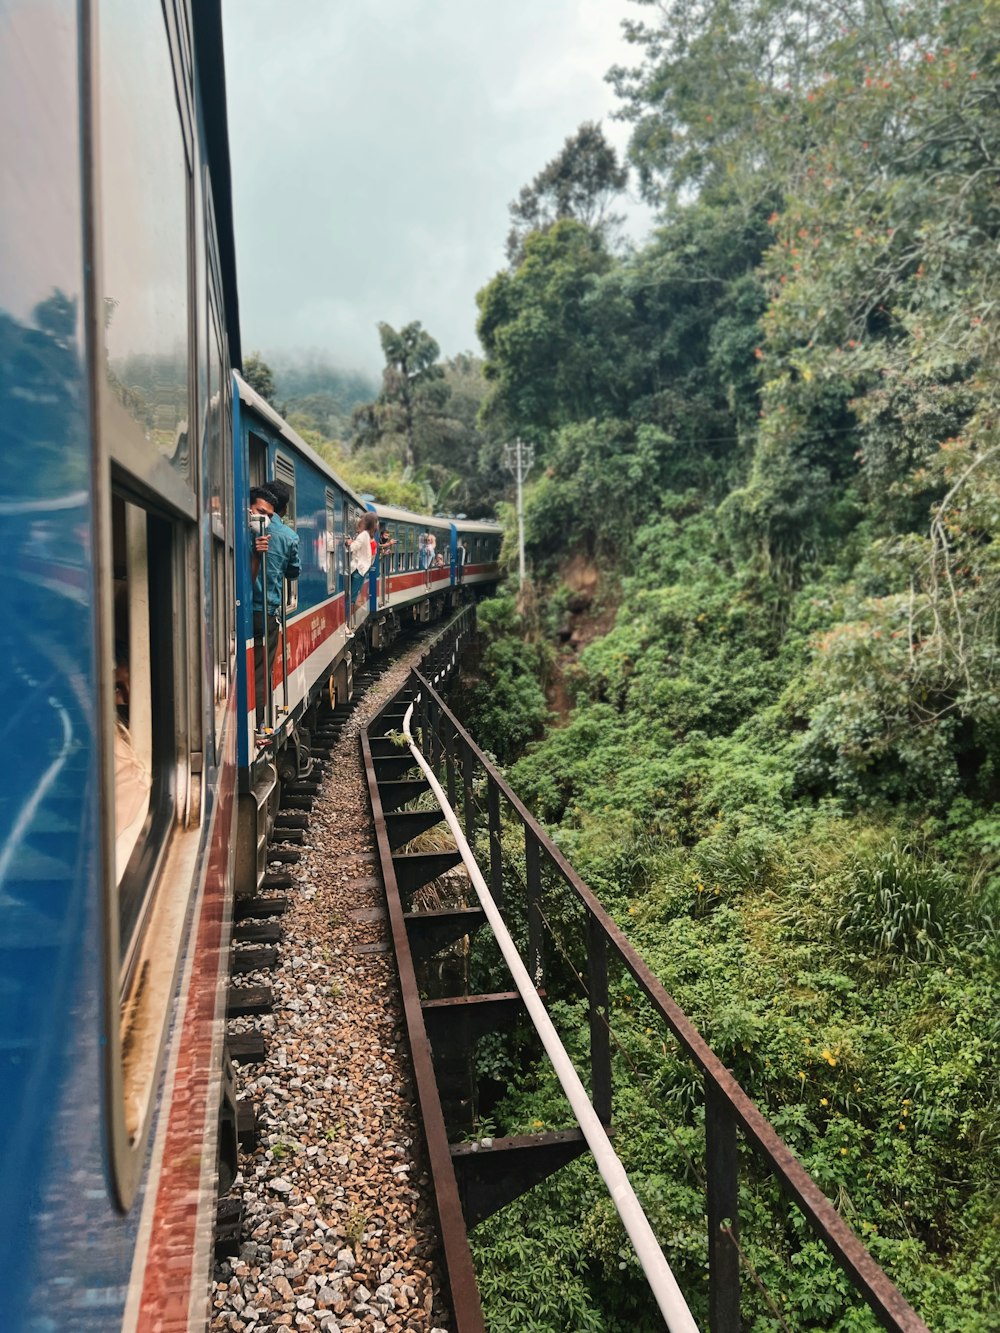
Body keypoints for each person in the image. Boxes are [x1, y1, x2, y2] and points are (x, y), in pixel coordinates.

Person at [248, 486, 277, 727]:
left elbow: (248, 581)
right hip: (254, 613)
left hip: (252, 613)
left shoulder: (260, 539)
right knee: (260, 673)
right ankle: (257, 721)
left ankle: (256, 721)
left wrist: (258, 554)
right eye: (260, 512)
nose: (263, 519)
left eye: (269, 516)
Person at [345, 513, 378, 636]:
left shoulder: (363, 535)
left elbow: (353, 547)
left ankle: (346, 625)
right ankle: (347, 624)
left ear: (366, 523)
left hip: (358, 570)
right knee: (351, 598)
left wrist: (348, 543)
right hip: (361, 570)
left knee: (350, 598)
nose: (359, 522)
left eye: (362, 520)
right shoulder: (368, 536)